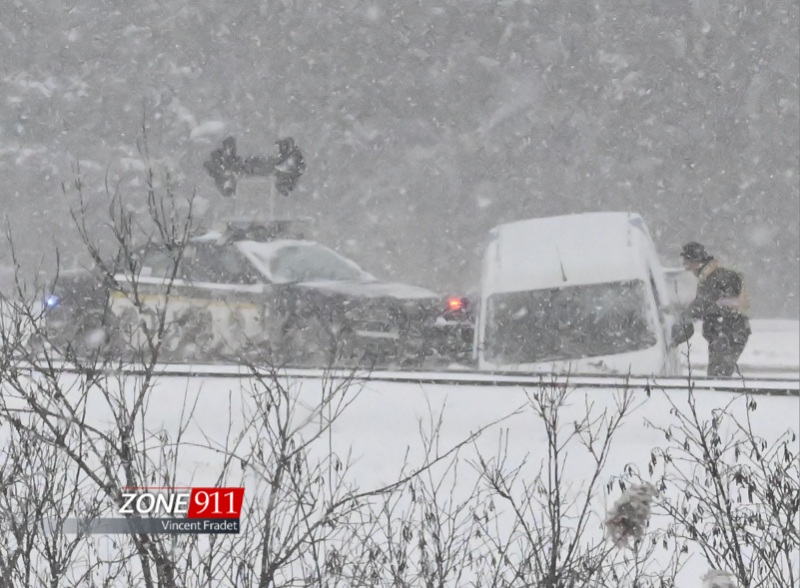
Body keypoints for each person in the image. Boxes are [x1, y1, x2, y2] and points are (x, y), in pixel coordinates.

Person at [670, 242, 751, 377]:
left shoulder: (715, 276)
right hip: (727, 332)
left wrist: (684, 318)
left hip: (729, 332)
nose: (686, 267)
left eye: (687, 263)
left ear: (695, 262)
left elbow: (703, 303)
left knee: (718, 375)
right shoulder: (711, 275)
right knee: (718, 374)